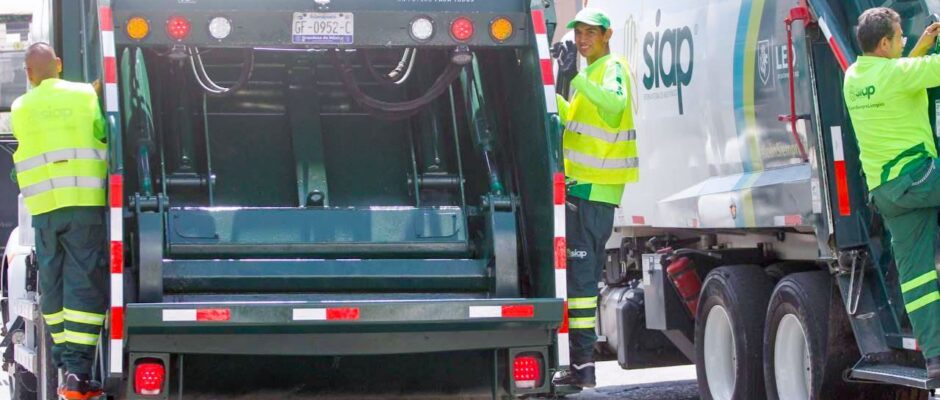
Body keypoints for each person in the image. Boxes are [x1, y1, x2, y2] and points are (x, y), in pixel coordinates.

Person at [843, 7, 940, 379]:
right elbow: (908, 75)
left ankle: (934, 360)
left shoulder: (854, 77)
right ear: (884, 43)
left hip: (887, 194)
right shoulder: (899, 74)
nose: (904, 42)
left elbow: (897, 76)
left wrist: (920, 46)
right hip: (919, 179)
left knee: (916, 278)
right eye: (900, 37)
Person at [11, 42, 109, 399]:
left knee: (51, 283)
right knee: (82, 281)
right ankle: (79, 371)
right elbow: (101, 132)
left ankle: (64, 363)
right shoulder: (85, 95)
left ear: (28, 73)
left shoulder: (21, 107)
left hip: (44, 211)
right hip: (83, 206)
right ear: (60, 64)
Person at [551, 8, 639, 388]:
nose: (583, 39)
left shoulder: (613, 67)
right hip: (581, 188)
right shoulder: (587, 74)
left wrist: (579, 80)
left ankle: (584, 366)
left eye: (590, 33)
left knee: (583, 283)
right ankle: (581, 365)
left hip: (594, 189)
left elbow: (616, 105)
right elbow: (568, 122)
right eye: (579, 33)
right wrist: (562, 80)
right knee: (579, 280)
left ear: (607, 35)